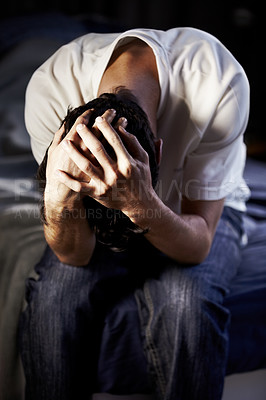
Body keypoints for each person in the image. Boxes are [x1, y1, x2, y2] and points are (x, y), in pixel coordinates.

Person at [19, 27, 250, 400]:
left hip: (191, 211)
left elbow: (198, 245)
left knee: (184, 303)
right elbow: (73, 255)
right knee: (53, 300)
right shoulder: (50, 90)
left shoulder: (217, 82)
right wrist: (61, 198)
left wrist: (141, 205)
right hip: (93, 214)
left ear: (158, 152)